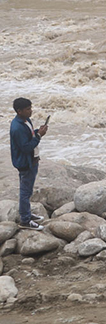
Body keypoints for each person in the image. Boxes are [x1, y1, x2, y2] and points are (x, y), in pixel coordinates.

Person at [10, 97, 48, 230]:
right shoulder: (17, 127)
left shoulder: (25, 121)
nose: (31, 111)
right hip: (26, 163)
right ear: (19, 111)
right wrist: (39, 136)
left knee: (27, 191)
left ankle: (27, 214)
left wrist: (37, 131)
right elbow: (25, 147)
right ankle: (25, 221)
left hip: (31, 161)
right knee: (25, 193)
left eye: (30, 108)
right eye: (28, 109)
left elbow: (30, 136)